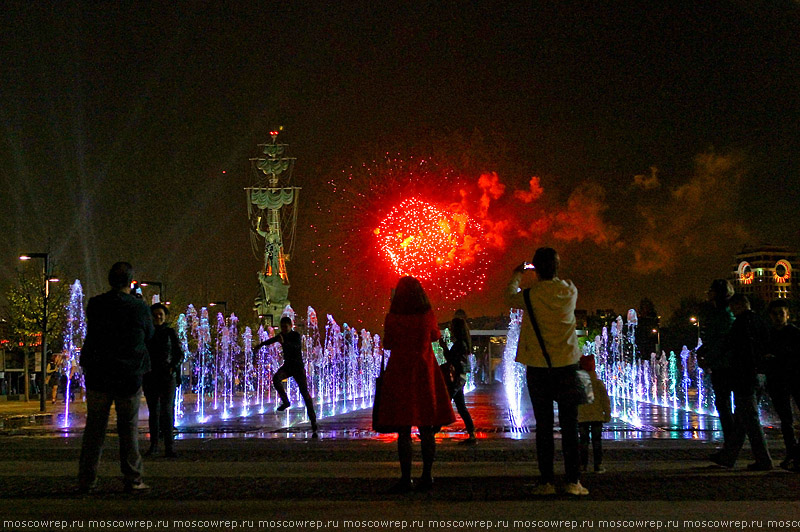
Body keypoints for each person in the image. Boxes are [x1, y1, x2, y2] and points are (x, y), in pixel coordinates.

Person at [505, 247, 587, 496]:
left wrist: (518, 275)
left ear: (536, 270)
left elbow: (509, 296)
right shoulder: (570, 290)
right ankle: (573, 481)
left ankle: (546, 482)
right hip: (569, 367)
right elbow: (560, 281)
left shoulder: (530, 296)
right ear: (557, 268)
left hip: (539, 369)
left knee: (543, 426)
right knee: (571, 427)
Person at [78, 262, 154, 493]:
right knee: (128, 429)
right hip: (128, 375)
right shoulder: (139, 307)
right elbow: (149, 334)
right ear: (131, 282)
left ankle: (87, 480)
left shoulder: (96, 303)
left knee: (94, 429)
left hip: (99, 374)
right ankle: (133, 478)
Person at [375, 276, 455, 493]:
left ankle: (405, 478)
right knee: (427, 427)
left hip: (400, 373)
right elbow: (436, 340)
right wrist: (444, 366)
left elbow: (389, 344)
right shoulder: (427, 316)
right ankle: (427, 476)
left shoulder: (392, 318)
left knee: (403, 429)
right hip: (424, 372)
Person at [710, 294, 773, 470]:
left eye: (733, 308)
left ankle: (764, 460)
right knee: (742, 419)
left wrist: (711, 357)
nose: (732, 312)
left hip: (745, 376)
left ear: (738, 306)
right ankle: (728, 456)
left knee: (750, 419)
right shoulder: (760, 321)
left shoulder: (740, 323)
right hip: (760, 375)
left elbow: (730, 345)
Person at [253, 316, 318, 435]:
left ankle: (313, 421)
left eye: (285, 327)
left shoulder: (295, 335)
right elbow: (270, 340)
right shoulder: (281, 336)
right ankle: (286, 401)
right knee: (276, 378)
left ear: (290, 326)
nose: (283, 329)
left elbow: (296, 347)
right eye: (282, 327)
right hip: (287, 367)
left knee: (305, 394)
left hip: (298, 368)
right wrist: (260, 345)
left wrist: (284, 342)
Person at [695, 279, 736, 459]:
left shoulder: (725, 314)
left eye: (710, 290)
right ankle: (731, 445)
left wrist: (708, 356)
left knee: (726, 406)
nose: (708, 294)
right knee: (724, 406)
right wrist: (702, 351)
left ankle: (731, 447)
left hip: (725, 366)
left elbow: (723, 340)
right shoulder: (720, 312)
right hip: (721, 364)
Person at [143, 303, 184, 458]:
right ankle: (154, 445)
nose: (158, 317)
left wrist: (173, 367)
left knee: (167, 411)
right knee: (153, 412)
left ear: (165, 316)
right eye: (155, 314)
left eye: (160, 314)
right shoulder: (147, 333)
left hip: (167, 377)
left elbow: (179, 354)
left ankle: (169, 446)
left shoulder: (169, 332)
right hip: (150, 376)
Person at [764, 299, 800, 470]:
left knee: (789, 420)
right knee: (786, 421)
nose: (778, 317)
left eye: (781, 313)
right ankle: (792, 454)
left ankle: (795, 454)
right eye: (775, 314)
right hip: (777, 381)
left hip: (795, 378)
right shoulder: (768, 335)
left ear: (787, 315)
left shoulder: (795, 334)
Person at [439, 317, 477, 444]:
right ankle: (472, 434)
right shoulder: (462, 343)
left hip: (456, 378)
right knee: (461, 407)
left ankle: (432, 431)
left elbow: (451, 359)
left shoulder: (460, 343)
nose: (450, 329)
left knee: (445, 403)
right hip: (460, 378)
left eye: (452, 327)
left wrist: (444, 347)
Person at [577, 354, 611, 473]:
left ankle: (583, 465)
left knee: (583, 442)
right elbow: (605, 401)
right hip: (597, 417)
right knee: (597, 442)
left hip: (582, 418)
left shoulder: (578, 384)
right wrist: (607, 414)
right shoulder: (598, 383)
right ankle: (598, 465)